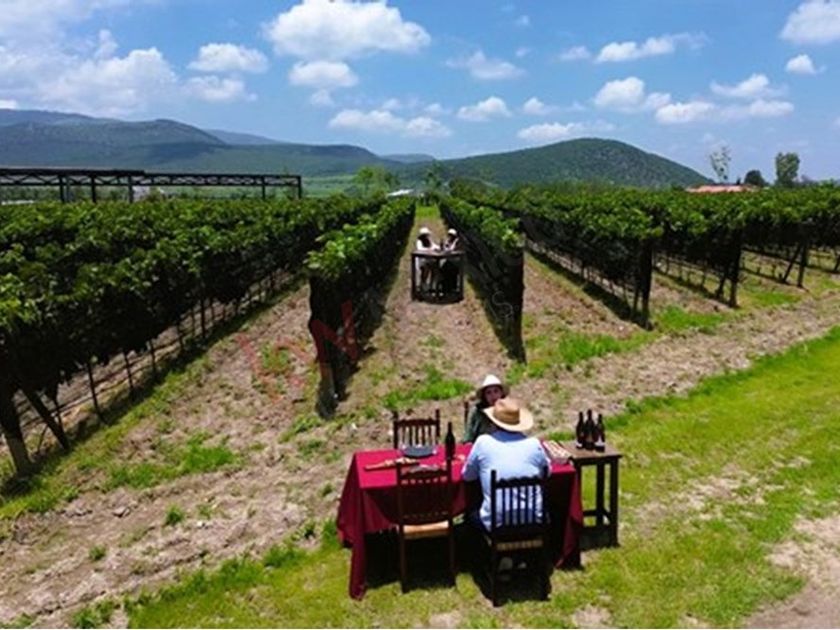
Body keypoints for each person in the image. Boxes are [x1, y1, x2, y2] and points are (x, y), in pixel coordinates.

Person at [461, 397, 549, 533]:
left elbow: (467, 476)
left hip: (496, 524)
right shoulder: (534, 444)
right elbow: (547, 471)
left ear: (493, 423)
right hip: (533, 521)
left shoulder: (483, 442)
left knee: (470, 513)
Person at [463, 374, 506, 443]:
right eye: (488, 393)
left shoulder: (509, 410)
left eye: (496, 391)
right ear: (484, 396)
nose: (493, 395)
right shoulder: (477, 412)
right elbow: (468, 437)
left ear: (501, 393)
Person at [415, 226, 438, 293]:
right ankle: (423, 284)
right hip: (422, 260)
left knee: (435, 267)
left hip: (429, 260)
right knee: (425, 269)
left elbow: (434, 245)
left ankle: (432, 285)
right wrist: (429, 249)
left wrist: (438, 247)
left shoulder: (429, 240)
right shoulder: (419, 241)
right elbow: (420, 249)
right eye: (426, 235)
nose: (427, 236)